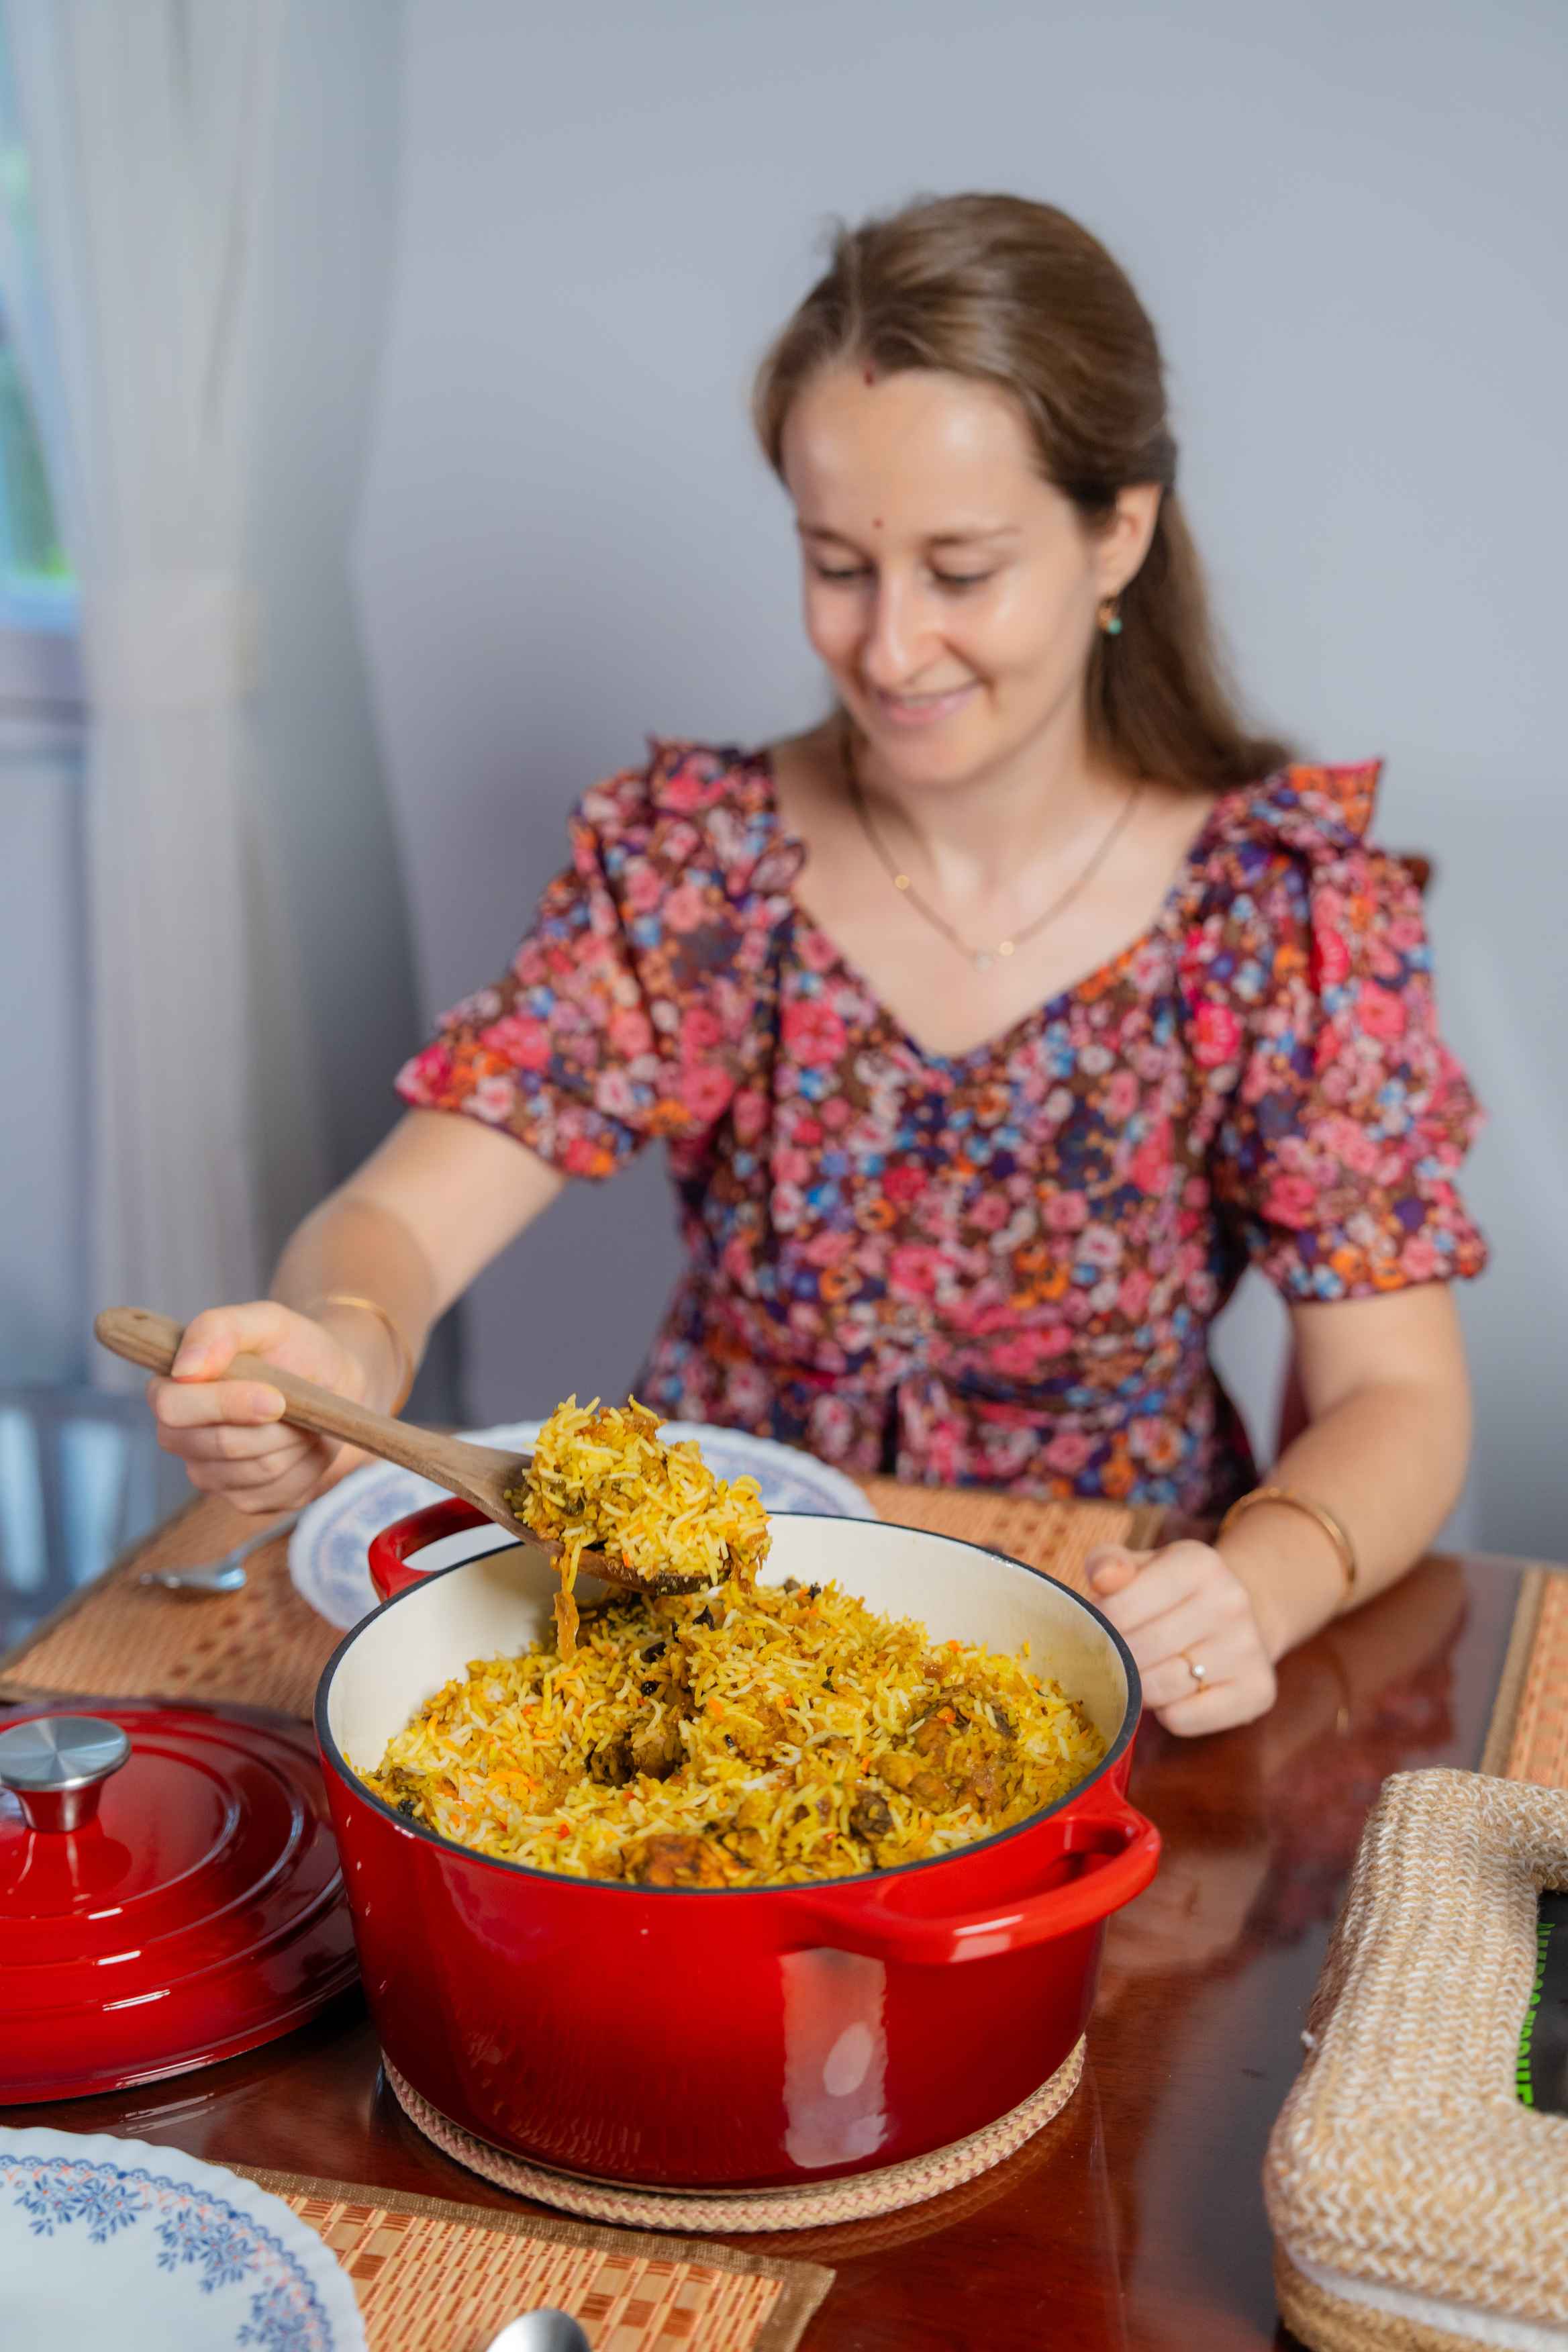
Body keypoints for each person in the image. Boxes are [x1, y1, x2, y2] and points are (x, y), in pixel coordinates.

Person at [143, 193, 1487, 1735]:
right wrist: (341, 1354)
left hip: (1106, 1651)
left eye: (960, 570)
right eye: (838, 564)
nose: (890, 647)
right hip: (714, 1630)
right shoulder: (696, 860)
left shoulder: (1282, 907)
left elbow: (1402, 1396)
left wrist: (1263, 1581)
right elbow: (393, 1218)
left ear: (1117, 532)